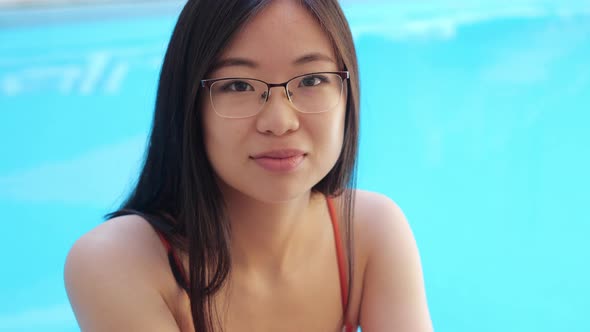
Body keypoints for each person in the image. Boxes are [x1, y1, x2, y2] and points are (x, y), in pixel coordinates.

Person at [64, 0, 433, 331]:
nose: (280, 121)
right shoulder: (118, 262)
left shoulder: (368, 231)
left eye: (312, 79)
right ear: (189, 105)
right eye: (238, 85)